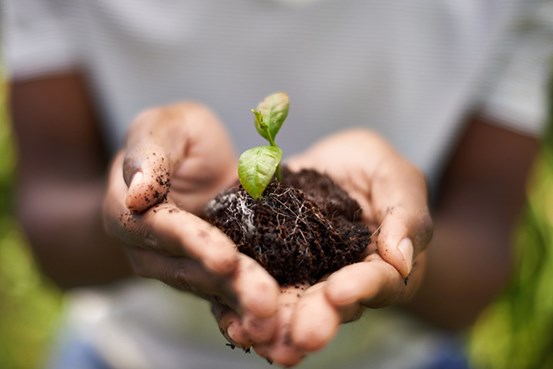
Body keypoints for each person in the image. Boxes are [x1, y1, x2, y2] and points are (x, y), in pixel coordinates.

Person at [3, 0, 551, 368]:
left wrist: (407, 254)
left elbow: (482, 254)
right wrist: (133, 216)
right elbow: (51, 218)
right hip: (126, 352)